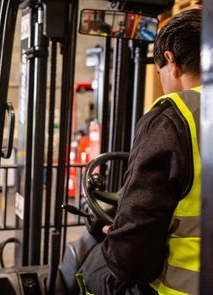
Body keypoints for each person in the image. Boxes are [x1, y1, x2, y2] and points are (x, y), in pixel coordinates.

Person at [78, 9, 202, 295]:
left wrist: (119, 240)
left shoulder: (175, 116)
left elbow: (133, 263)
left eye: (160, 73)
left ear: (170, 61)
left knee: (93, 269)